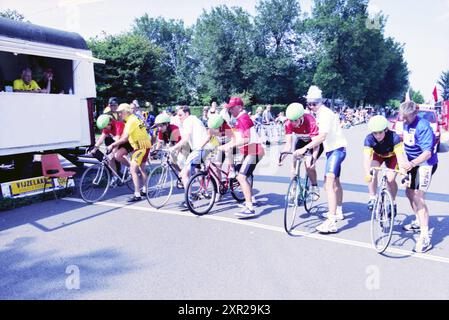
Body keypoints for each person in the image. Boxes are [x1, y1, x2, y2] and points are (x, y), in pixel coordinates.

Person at [294, 86, 348, 233]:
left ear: (320, 102)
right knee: (335, 181)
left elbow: (321, 137)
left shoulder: (324, 114)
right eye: (309, 104)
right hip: (333, 150)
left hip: (337, 149)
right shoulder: (318, 113)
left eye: (314, 104)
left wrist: (305, 149)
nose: (311, 106)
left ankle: (331, 221)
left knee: (328, 184)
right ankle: (339, 211)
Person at [399, 101, 438, 253]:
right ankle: (418, 220)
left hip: (425, 164)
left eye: (406, 117)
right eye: (401, 115)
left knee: (418, 197)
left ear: (414, 114)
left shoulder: (423, 126)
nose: (402, 119)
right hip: (413, 164)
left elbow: (427, 153)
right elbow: (406, 144)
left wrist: (412, 163)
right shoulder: (405, 122)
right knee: (409, 193)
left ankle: (425, 236)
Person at [218, 97, 265, 218]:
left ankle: (249, 208)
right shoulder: (239, 118)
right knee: (243, 174)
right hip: (249, 150)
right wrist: (227, 145)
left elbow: (246, 139)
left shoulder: (243, 118)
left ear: (239, 107)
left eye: (232, 108)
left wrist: (229, 145)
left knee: (241, 177)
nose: (230, 110)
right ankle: (251, 199)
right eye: (229, 108)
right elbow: (237, 138)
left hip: (253, 150)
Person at [363, 115, 407, 215]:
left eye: (380, 132)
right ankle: (372, 197)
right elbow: (366, 159)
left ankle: (393, 202)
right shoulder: (369, 139)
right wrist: (367, 173)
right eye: (375, 133)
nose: (378, 136)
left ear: (386, 130)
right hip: (378, 155)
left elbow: (400, 158)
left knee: (390, 179)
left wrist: (404, 175)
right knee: (372, 172)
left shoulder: (395, 138)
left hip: (393, 156)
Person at [108, 103, 152, 203]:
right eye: (118, 113)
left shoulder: (131, 121)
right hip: (145, 145)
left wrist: (113, 145)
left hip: (140, 147)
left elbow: (124, 138)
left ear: (126, 112)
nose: (119, 115)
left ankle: (137, 194)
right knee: (142, 168)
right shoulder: (134, 118)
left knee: (133, 169)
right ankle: (145, 190)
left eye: (120, 113)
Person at [280, 103, 323, 202]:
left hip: (313, 143)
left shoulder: (310, 121)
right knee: (293, 166)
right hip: (301, 141)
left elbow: (316, 144)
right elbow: (288, 145)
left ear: (301, 117)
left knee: (308, 165)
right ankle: (293, 190)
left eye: (295, 120)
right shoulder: (288, 123)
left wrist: (313, 159)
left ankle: (314, 187)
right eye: (291, 120)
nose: (293, 123)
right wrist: (282, 155)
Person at [170, 106, 212, 195]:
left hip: (200, 149)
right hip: (204, 149)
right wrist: (178, 148)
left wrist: (174, 147)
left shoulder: (188, 121)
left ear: (187, 114)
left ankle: (188, 199)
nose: (179, 117)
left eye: (180, 115)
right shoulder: (194, 119)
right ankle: (204, 191)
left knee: (184, 174)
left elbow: (186, 138)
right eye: (178, 115)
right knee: (197, 170)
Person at [91, 114, 132, 185]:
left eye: (105, 127)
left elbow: (118, 140)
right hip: (117, 142)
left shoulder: (118, 124)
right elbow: (101, 139)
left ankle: (131, 167)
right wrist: (95, 148)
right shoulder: (106, 126)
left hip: (127, 142)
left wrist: (113, 151)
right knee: (109, 158)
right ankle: (115, 177)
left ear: (109, 123)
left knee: (116, 155)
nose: (104, 129)